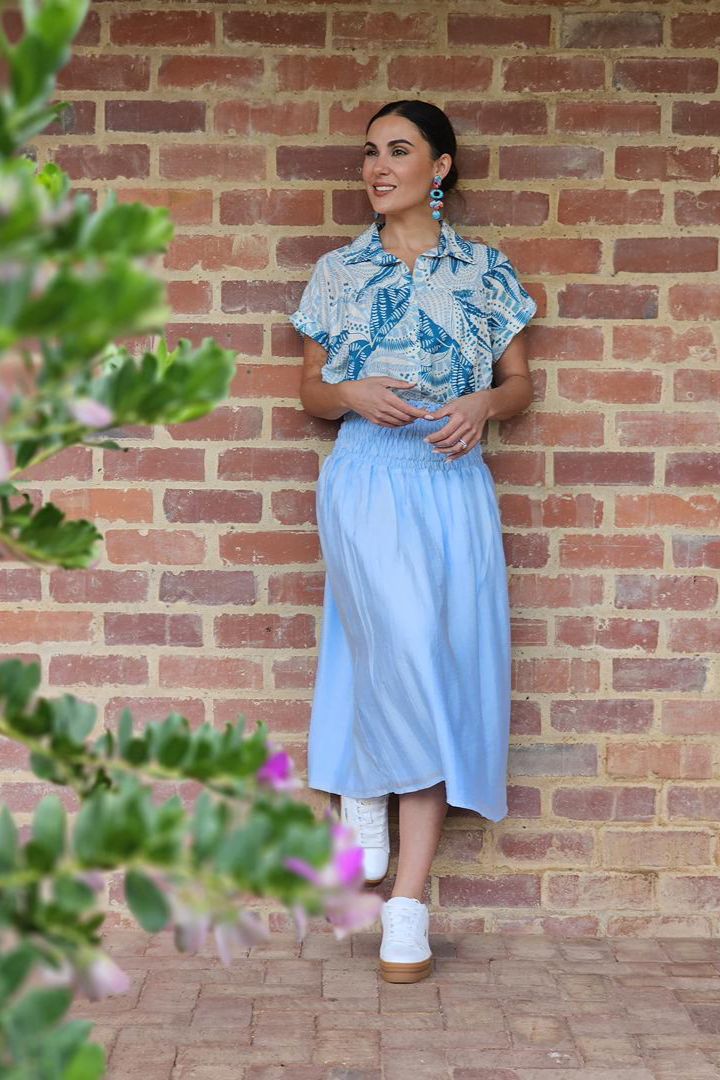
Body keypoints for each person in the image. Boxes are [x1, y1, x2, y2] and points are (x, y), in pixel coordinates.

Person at [288, 100, 536, 983]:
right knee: (402, 644)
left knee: (438, 665)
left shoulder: (486, 270)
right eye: (370, 152)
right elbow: (311, 392)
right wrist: (349, 394)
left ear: (441, 168)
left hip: (452, 481)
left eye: (398, 151)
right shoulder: (337, 271)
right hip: (365, 474)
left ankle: (406, 904)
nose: (377, 167)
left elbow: (518, 383)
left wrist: (484, 404)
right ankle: (362, 784)